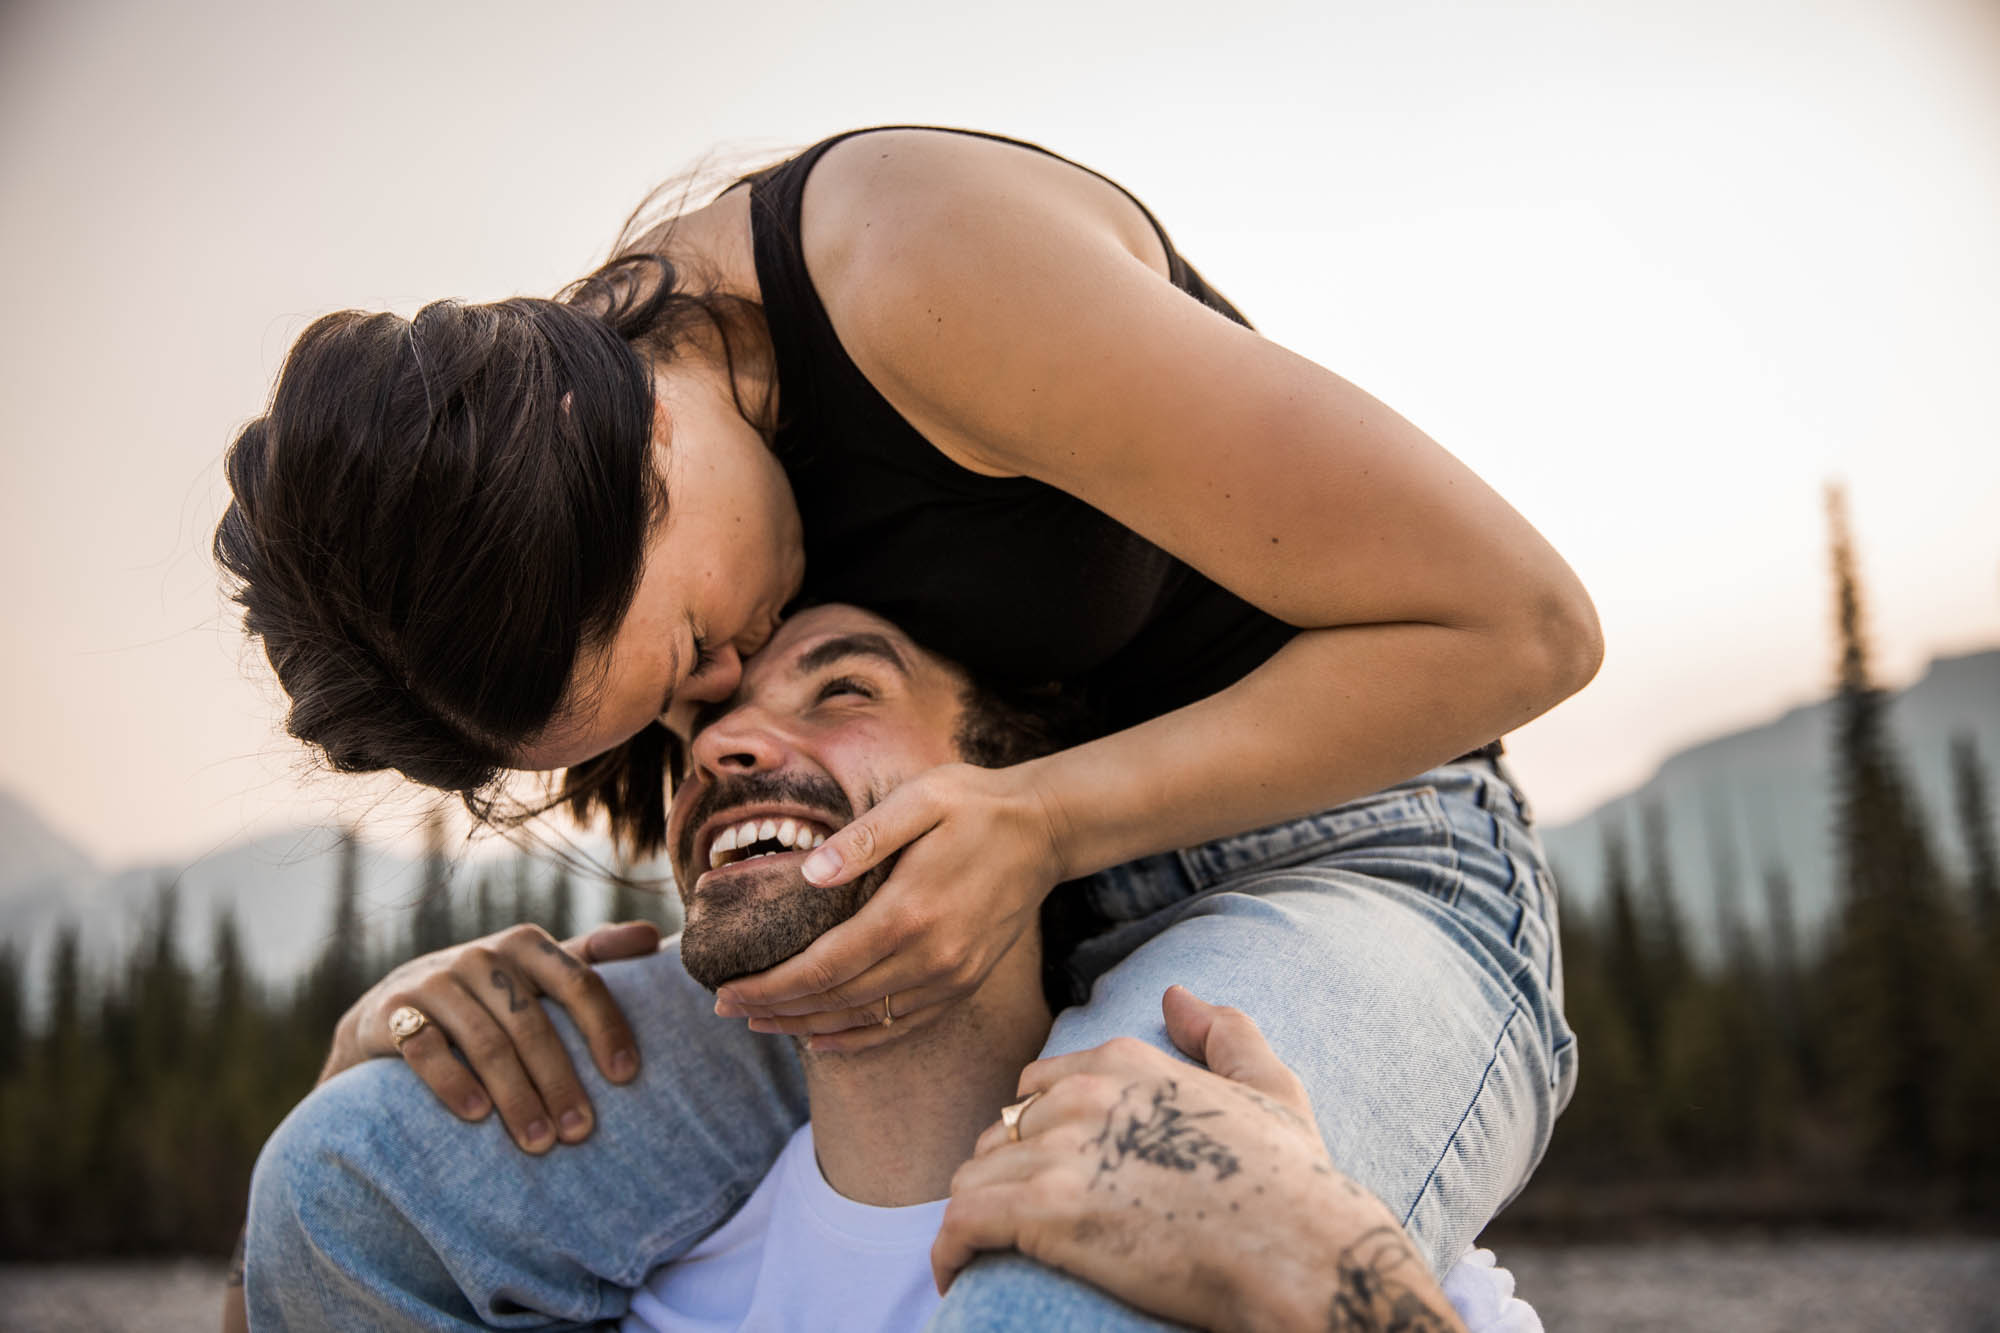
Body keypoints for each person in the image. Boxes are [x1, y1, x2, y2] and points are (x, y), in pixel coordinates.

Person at [219, 125, 1594, 1326]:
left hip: (1345, 866)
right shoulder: (558, 519)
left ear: (628, 429)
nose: (731, 685)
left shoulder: (914, 266)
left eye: (698, 646)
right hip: (954, 928)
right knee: (354, 1192)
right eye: (680, 708)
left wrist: (1044, 821)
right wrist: (424, 1005)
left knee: (1081, 1270)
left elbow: (1525, 625)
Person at [248, 605, 1540, 1332]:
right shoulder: (606, 1276)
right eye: (702, 724)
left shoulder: (1253, 1200)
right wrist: (353, 1088)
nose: (730, 746)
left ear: (1018, 781)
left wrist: (1344, 1296)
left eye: (842, 691)